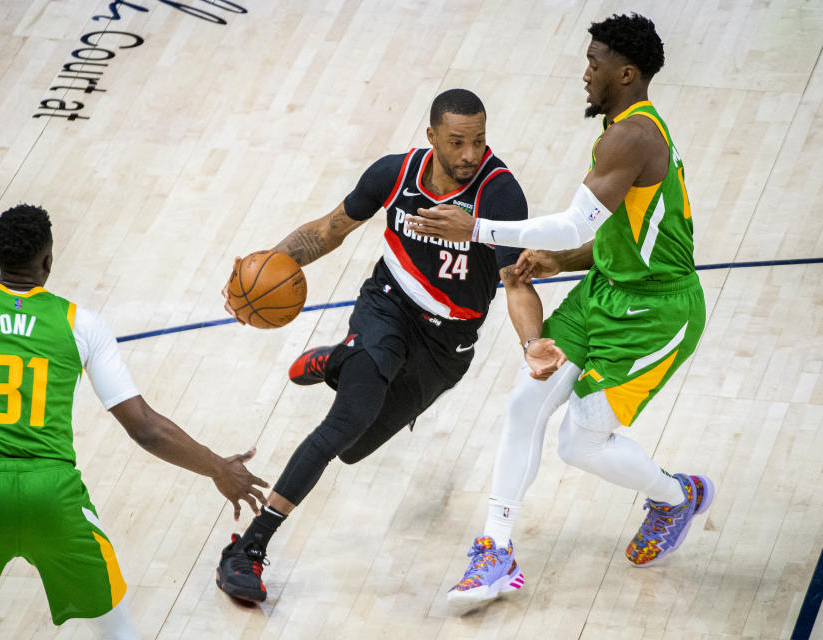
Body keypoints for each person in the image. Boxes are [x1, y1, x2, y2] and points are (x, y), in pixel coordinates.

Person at [406, 14, 713, 607]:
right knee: (526, 398)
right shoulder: (624, 131)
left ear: (626, 73)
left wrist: (481, 228)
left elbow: (578, 217)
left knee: (580, 443)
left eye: (595, 64)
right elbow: (612, 230)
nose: (585, 74)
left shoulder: (634, 135)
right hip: (606, 290)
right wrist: (559, 260)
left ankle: (676, 497)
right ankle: (495, 549)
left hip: (656, 311)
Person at [216, 88, 566, 602]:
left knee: (354, 450)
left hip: (447, 343)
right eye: (457, 142)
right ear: (431, 138)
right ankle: (248, 549)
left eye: (479, 141)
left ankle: (337, 359)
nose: (471, 154)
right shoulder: (395, 174)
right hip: (387, 304)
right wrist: (266, 264)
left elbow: (516, 280)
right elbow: (329, 230)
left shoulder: (499, 195)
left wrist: (532, 342)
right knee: (345, 422)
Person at [0, 205, 268, 639]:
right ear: (48, 260)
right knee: (117, 628)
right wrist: (219, 468)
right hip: (56, 496)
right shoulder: (80, 323)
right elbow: (145, 428)